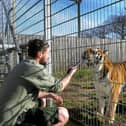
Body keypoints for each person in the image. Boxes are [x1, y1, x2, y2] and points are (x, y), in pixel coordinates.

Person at [0, 39, 77, 126]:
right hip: (13, 118)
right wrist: (70, 73)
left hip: (5, 114)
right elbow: (59, 87)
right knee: (63, 114)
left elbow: (26, 92)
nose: (48, 56)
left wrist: (49, 95)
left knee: (42, 100)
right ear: (39, 54)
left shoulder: (23, 65)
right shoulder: (34, 69)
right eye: (47, 53)